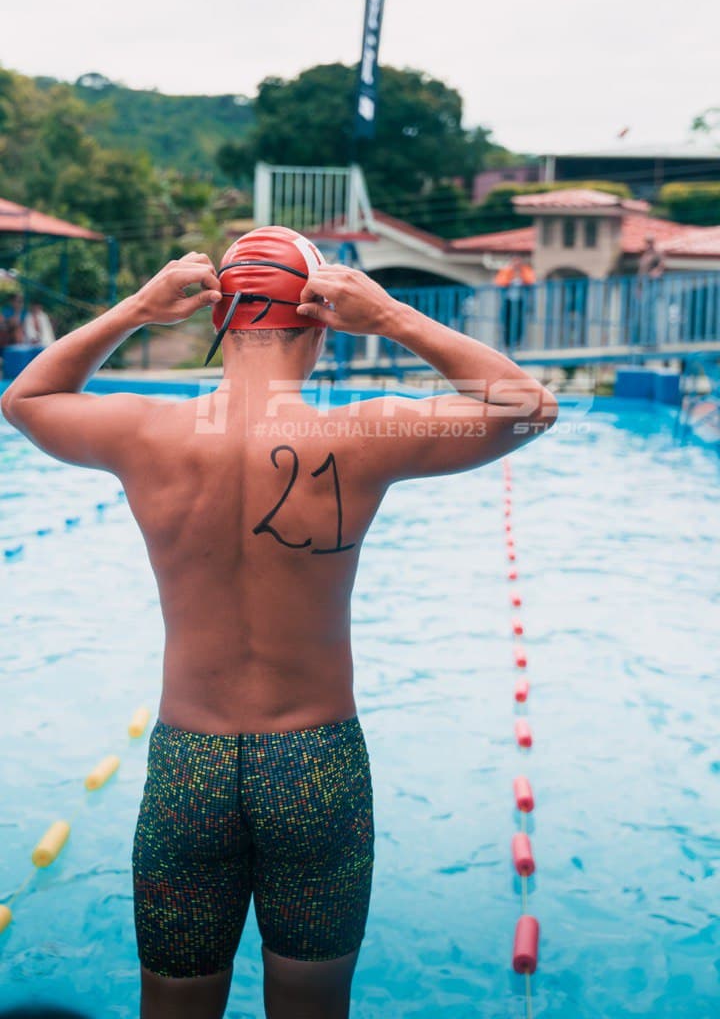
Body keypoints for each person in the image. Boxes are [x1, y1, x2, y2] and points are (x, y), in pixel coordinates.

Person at [1, 227, 557, 1019]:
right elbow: (531, 407)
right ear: (325, 321)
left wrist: (136, 308)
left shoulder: (145, 432)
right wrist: (394, 316)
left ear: (220, 320)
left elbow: (23, 400)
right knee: (311, 1008)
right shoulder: (360, 432)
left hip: (188, 765)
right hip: (315, 762)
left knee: (174, 1008)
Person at [494, 256, 536, 349]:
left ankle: (517, 342)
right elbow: (500, 282)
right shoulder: (507, 271)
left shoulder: (525, 270)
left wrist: (521, 273)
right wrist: (510, 273)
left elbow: (530, 281)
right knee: (507, 321)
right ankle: (507, 342)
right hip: (508, 301)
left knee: (519, 321)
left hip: (520, 301)